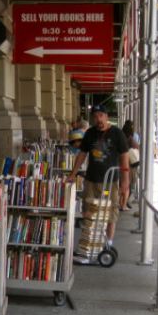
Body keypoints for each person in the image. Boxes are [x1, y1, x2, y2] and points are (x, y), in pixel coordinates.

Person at [68, 104, 129, 244]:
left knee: (110, 211)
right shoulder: (90, 133)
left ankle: (108, 244)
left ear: (106, 116)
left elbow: (124, 157)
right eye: (95, 116)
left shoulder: (117, 133)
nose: (98, 119)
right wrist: (73, 174)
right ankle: (89, 244)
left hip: (109, 183)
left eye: (101, 115)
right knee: (88, 210)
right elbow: (82, 154)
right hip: (91, 181)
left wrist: (125, 181)